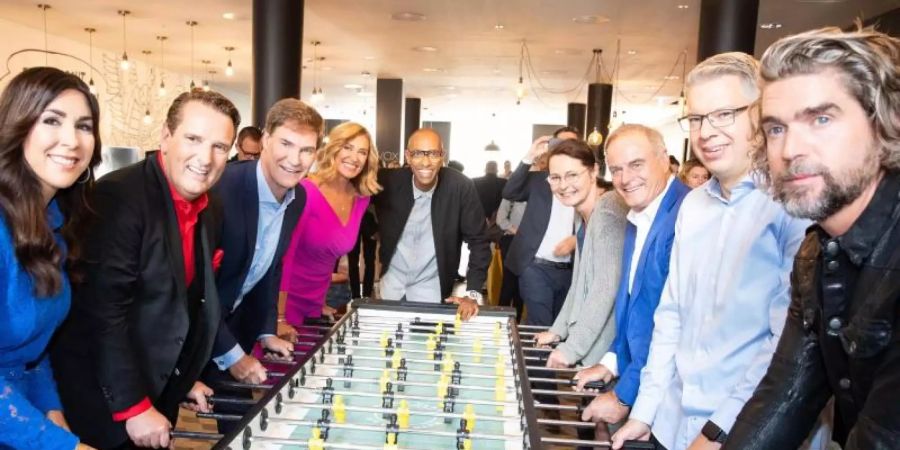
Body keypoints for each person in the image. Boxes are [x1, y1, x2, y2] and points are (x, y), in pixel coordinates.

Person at [609, 53, 816, 450]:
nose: (707, 131)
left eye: (724, 114)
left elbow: (788, 343)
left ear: (759, 113)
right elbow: (671, 316)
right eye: (698, 118)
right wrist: (645, 411)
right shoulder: (693, 205)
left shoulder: (792, 203)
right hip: (672, 423)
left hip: (749, 429)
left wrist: (719, 430)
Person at [725, 27, 900, 450]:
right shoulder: (815, 252)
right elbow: (783, 396)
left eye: (821, 119)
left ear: (883, 125)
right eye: (776, 129)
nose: (789, 150)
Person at [52, 89, 239, 449]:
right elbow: (104, 314)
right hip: (103, 403)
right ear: (166, 137)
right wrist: (134, 406)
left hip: (157, 391)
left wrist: (182, 380)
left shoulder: (211, 207)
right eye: (194, 139)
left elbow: (180, 306)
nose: (206, 157)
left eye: (220, 146)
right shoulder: (119, 197)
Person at [203, 98, 323, 433]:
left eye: (306, 149)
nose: (294, 159)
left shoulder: (297, 197)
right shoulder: (221, 189)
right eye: (285, 143)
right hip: (183, 335)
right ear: (265, 140)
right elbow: (196, 287)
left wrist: (266, 329)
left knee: (244, 430)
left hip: (231, 326)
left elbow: (270, 267)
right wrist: (233, 356)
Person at [0, 67, 100, 450]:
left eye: (84, 126)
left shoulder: (54, 221)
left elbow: (32, 351)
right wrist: (61, 445)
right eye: (52, 121)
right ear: (19, 127)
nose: (71, 141)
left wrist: (54, 415)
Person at [576, 124, 690, 431]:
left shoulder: (685, 214)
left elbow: (668, 324)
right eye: (617, 169)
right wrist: (611, 360)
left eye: (637, 165)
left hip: (670, 394)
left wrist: (624, 396)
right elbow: (633, 309)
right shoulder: (639, 213)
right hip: (643, 379)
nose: (626, 179)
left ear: (664, 160)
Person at [375, 128, 490, 319]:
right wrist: (373, 229)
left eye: (434, 154)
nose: (426, 162)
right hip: (391, 287)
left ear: (442, 156)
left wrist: (472, 292)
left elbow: (479, 241)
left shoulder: (460, 187)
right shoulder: (389, 181)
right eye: (418, 153)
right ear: (407, 156)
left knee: (426, 345)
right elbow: (355, 198)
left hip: (431, 290)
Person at [534, 140, 627, 370]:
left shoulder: (607, 209)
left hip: (611, 350)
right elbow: (578, 285)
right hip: (594, 343)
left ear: (594, 170)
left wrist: (571, 348)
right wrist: (558, 331)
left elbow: (605, 289)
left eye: (572, 175)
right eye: (555, 178)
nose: (563, 185)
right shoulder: (580, 213)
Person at [280, 122, 381, 329]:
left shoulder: (361, 199)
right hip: (282, 304)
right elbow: (284, 258)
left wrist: (318, 303)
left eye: (362, 152)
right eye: (347, 147)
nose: (354, 157)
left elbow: (326, 257)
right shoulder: (306, 191)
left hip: (315, 305)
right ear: (334, 148)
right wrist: (278, 318)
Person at [501, 126, 580, 327]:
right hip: (535, 266)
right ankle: (536, 357)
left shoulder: (587, 185)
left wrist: (577, 238)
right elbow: (510, 191)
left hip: (571, 270)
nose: (566, 150)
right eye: (560, 145)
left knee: (560, 326)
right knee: (541, 323)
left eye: (572, 145)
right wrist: (529, 156)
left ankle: (532, 354)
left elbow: (598, 222)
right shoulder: (539, 181)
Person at [496, 197, 527, 319]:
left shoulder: (535, 193)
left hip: (528, 243)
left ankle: (516, 322)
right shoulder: (511, 195)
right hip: (511, 240)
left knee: (521, 284)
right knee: (509, 283)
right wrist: (518, 231)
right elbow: (500, 219)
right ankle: (500, 319)